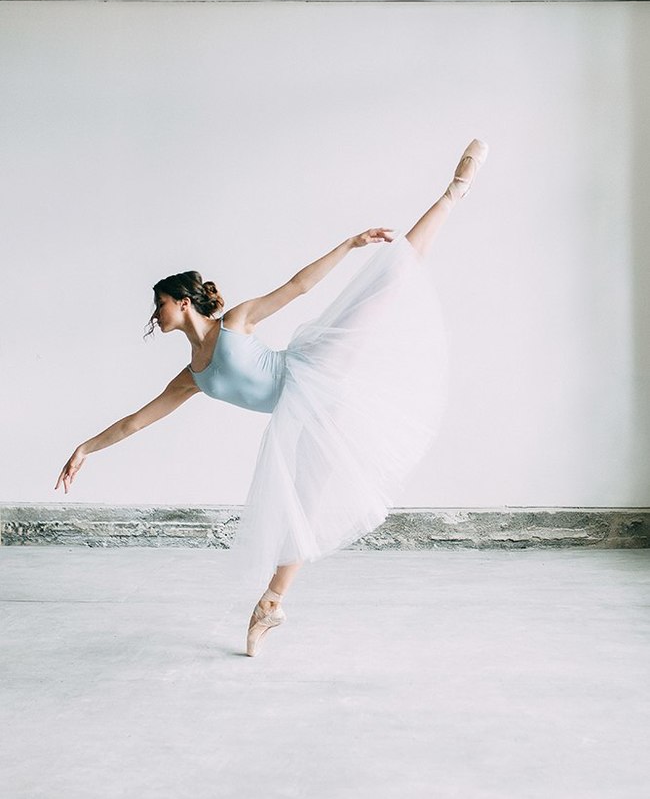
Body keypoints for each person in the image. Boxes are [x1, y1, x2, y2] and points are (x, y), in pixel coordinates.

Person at [56, 138, 489, 656]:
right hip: (302, 417)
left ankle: (452, 193)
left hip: (314, 371)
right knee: (298, 509)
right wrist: (85, 448)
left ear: (183, 301)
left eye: (160, 305)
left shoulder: (235, 323)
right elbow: (133, 423)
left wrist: (350, 244)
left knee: (386, 282)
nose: (155, 315)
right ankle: (272, 605)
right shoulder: (190, 378)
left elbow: (298, 286)